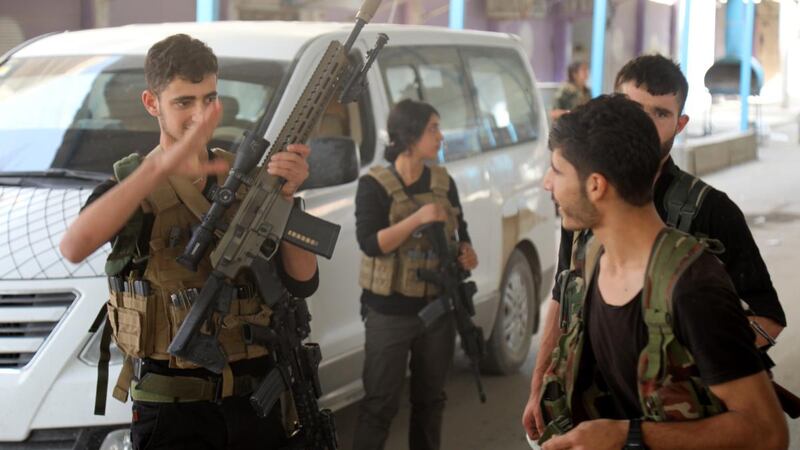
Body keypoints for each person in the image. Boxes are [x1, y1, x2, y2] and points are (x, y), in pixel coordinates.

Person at [59, 34, 318, 450]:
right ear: (151, 103)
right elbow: (74, 246)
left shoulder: (251, 178)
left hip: (256, 401)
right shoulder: (130, 189)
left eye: (209, 99)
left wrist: (285, 200)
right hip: (174, 412)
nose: (200, 115)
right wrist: (155, 171)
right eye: (183, 102)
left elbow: (303, 280)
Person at [522, 54, 787, 442]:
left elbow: (767, 432)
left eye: (557, 171)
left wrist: (704, 357)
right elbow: (564, 296)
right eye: (631, 109)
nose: (547, 183)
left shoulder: (693, 283)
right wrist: (543, 384)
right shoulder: (591, 244)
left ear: (597, 185)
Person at [352, 99, 478, 450]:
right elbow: (371, 243)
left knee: (431, 401)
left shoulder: (442, 181)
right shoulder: (374, 184)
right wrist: (418, 219)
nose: (440, 136)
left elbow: (460, 230)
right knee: (379, 405)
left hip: (437, 309)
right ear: (410, 136)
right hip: (389, 312)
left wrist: (466, 251)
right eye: (433, 128)